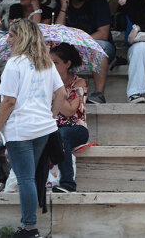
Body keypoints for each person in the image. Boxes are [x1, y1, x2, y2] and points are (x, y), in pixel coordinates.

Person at [0, 20, 65, 238]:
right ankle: (28, 226)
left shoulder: (15, 64)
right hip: (43, 128)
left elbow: (8, 102)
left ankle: (29, 228)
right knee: (29, 177)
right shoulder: (47, 63)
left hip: (20, 129)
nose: (8, 39)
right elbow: (61, 94)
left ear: (22, 37)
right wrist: (50, 117)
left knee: (25, 179)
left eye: (12, 35)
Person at [55, 0, 113, 104]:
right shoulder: (64, 4)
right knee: (57, 52)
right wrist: (63, 8)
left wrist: (80, 42)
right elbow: (57, 33)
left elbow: (103, 34)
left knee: (99, 47)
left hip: (96, 44)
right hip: (73, 47)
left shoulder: (98, 1)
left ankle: (99, 94)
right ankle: (61, 93)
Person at [49, 43, 88, 193]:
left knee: (62, 135)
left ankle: (68, 184)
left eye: (55, 63)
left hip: (76, 128)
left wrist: (55, 93)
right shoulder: (47, 81)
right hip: (53, 126)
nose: (51, 66)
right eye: (49, 62)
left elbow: (70, 111)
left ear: (68, 64)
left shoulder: (79, 83)